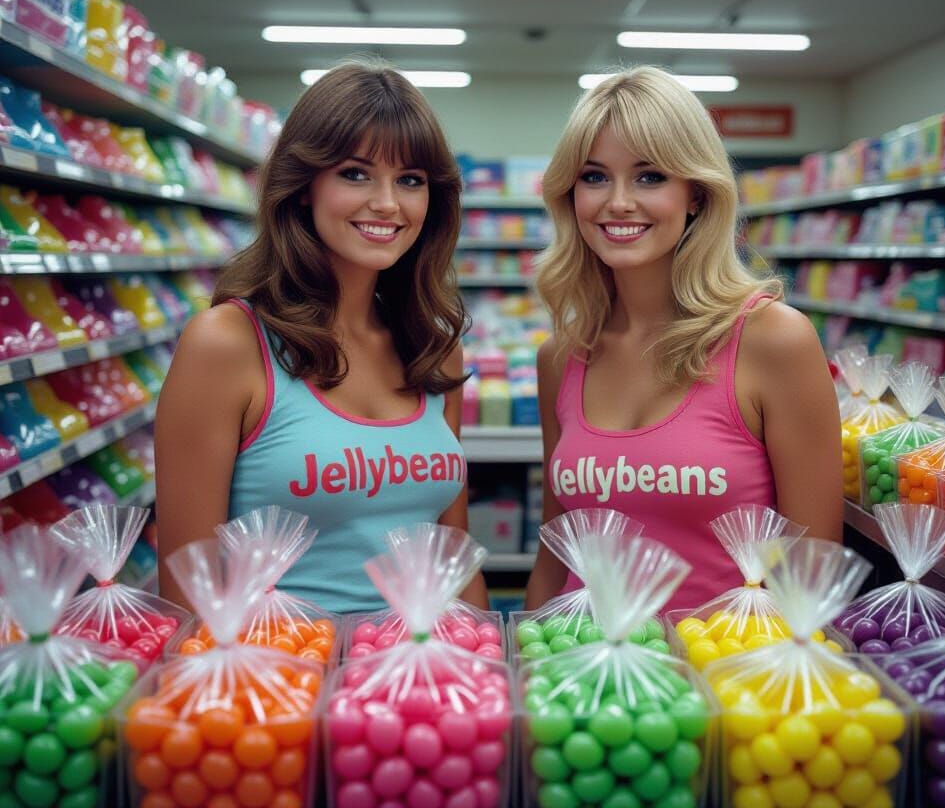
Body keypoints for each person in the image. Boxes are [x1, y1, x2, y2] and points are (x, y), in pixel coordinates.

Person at [155, 60, 487, 613]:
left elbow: (451, 559)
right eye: (356, 173)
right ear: (304, 186)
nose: (387, 203)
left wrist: (480, 670)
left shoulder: (432, 346)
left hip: (419, 684)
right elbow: (189, 594)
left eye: (410, 180)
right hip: (281, 685)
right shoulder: (227, 344)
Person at [524, 67, 842, 612]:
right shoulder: (563, 355)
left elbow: (812, 570)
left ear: (695, 193)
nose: (618, 202)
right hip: (579, 676)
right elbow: (557, 553)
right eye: (594, 177)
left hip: (724, 680)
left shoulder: (773, 340)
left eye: (649, 177)